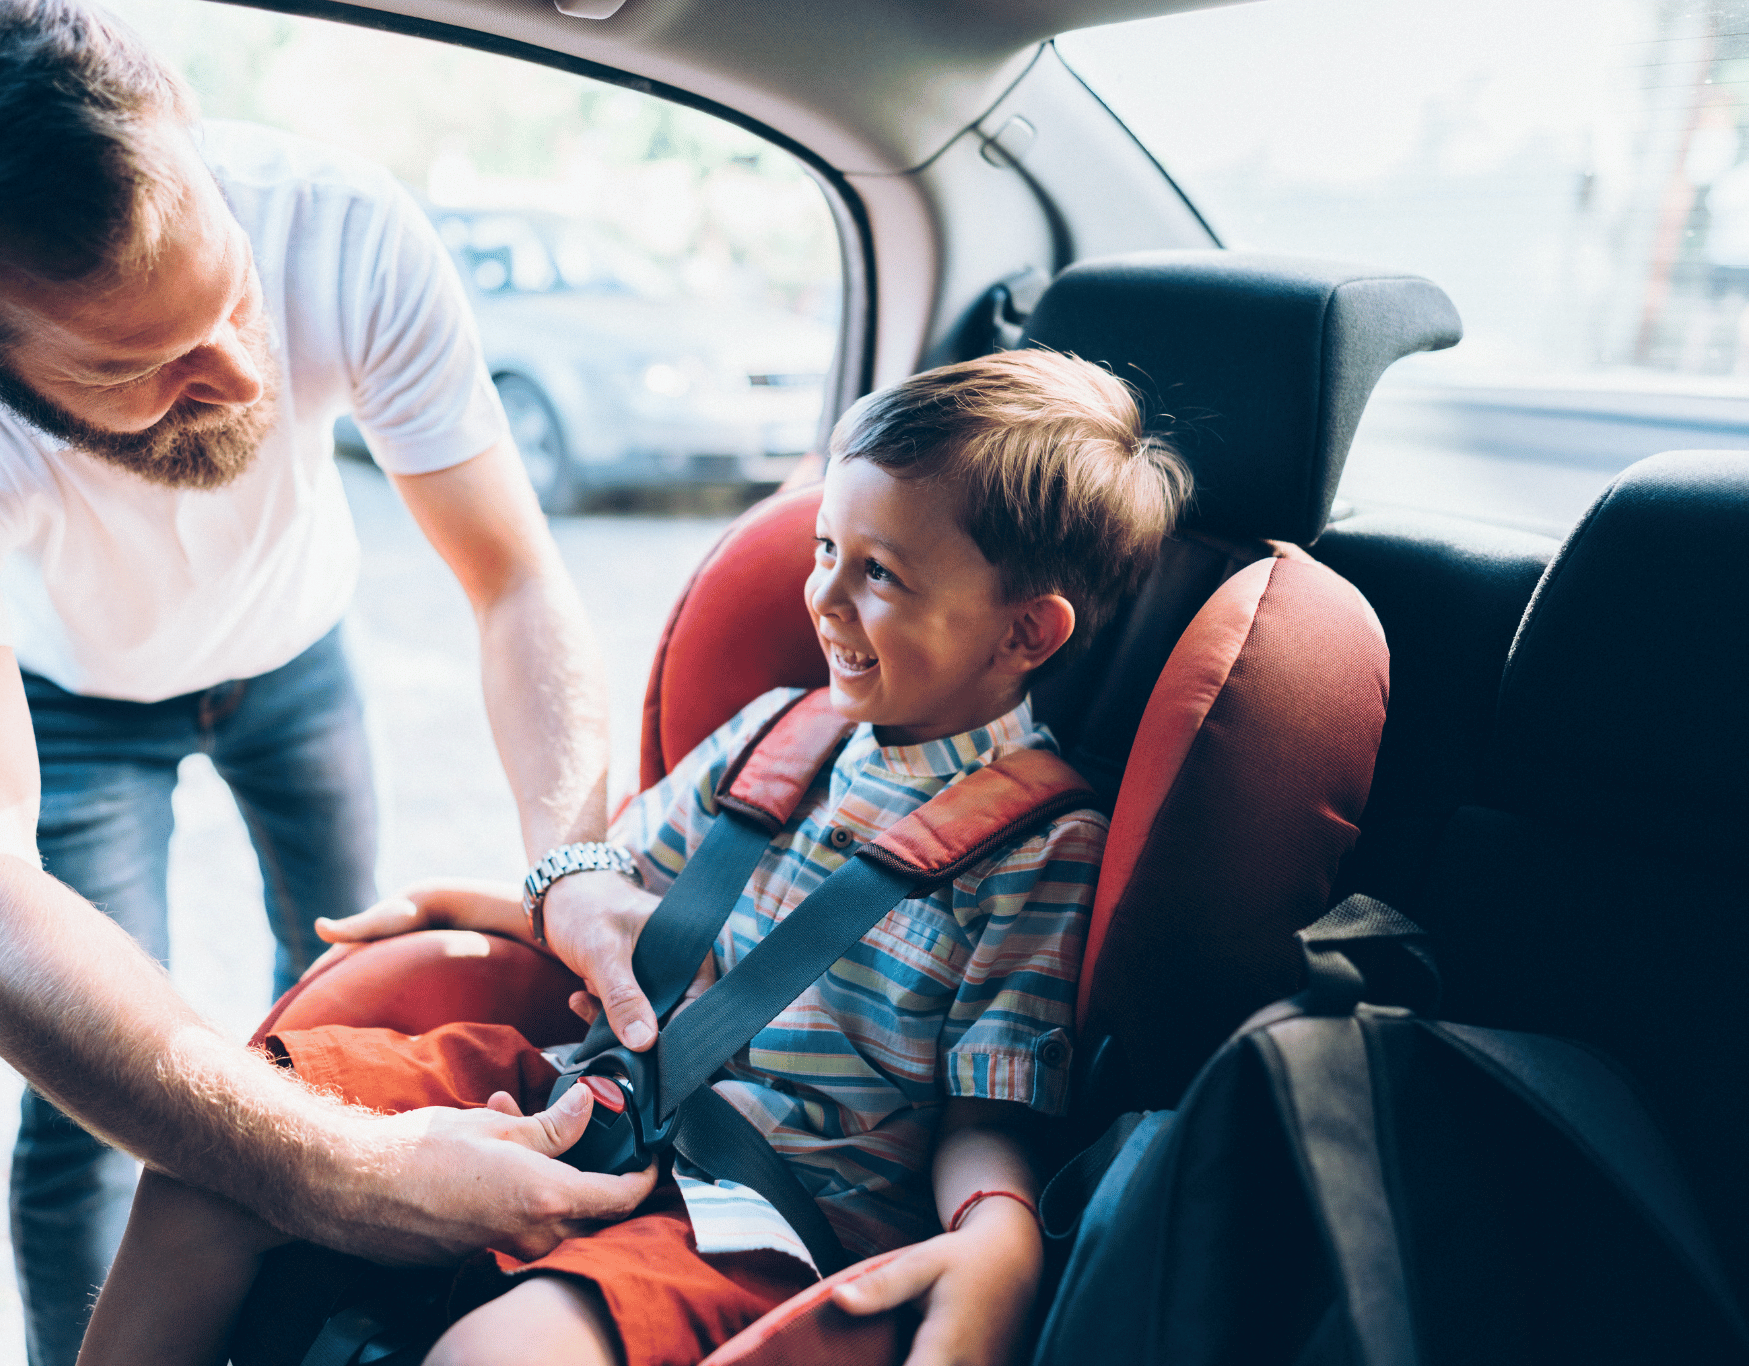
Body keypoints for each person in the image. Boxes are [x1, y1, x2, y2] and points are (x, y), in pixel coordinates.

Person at [0, 3, 658, 1363]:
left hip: (302, 654)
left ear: (179, 111)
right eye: (136, 365)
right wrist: (343, 1174)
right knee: (105, 1107)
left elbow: (514, 580)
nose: (242, 373)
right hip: (69, 700)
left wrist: (574, 859)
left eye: (232, 291)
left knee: (330, 999)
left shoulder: (340, 220)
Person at [75, 349, 1193, 1366]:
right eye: (823, 551)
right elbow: (621, 903)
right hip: (587, 1086)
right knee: (214, 1153)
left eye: (881, 576)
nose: (825, 597)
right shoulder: (775, 731)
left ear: (1024, 633)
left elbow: (984, 1110)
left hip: (765, 1216)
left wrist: (996, 1235)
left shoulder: (1038, 842)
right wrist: (479, 905)